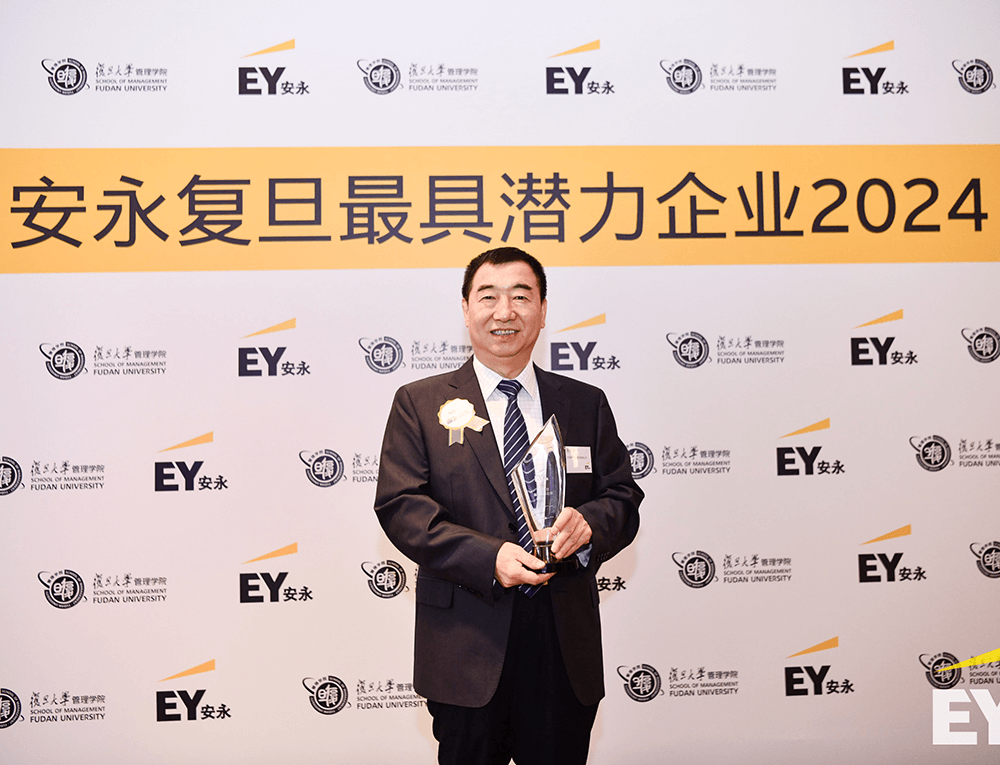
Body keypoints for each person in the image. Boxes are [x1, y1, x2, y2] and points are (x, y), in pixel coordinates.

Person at [375, 247, 642, 765]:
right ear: (465, 309)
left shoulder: (585, 402)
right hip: (467, 643)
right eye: (488, 297)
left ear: (543, 311)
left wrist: (589, 524)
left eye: (521, 297)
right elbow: (402, 506)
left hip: (563, 647)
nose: (505, 312)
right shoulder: (420, 403)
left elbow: (622, 498)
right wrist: (488, 557)